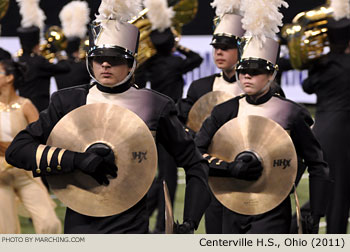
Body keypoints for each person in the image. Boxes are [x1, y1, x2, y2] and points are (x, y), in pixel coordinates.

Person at [5, 0, 210, 234]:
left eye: (115, 59)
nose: (105, 64)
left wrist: (190, 222)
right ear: (89, 61)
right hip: (81, 225)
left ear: (131, 63)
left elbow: (195, 163)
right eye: (98, 58)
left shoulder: (155, 104)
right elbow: (17, 150)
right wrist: (76, 160)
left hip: (131, 227)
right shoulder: (68, 101)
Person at [194, 0, 330, 234]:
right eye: (242, 71)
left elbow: (317, 164)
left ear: (271, 75)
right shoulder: (224, 111)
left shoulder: (291, 112)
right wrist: (228, 168)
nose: (246, 76)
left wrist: (314, 212)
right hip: (229, 205)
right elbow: (194, 153)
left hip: (273, 210)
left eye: (255, 72)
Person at [135, 0, 202, 233]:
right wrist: (178, 46)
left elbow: (139, 81)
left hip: (153, 120)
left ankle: (152, 217)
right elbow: (197, 59)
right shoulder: (174, 62)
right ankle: (161, 222)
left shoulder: (150, 63)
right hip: (171, 121)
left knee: (163, 173)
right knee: (168, 176)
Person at [0, 58, 61, 234]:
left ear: (9, 77)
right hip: (0, 178)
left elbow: (41, 139)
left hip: (25, 174)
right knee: (6, 231)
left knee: (49, 223)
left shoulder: (25, 105)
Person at [302, 16, 350, 234]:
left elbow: (307, 87)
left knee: (319, 187)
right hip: (343, 133)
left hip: (319, 131)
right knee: (339, 194)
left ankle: (301, 230)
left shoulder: (320, 63)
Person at [16, 0, 70, 112]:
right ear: (36, 45)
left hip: (22, 109)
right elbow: (65, 68)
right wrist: (58, 53)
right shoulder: (39, 61)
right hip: (40, 110)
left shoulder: (18, 60)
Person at [55, 0, 91, 90]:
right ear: (79, 47)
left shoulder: (58, 66)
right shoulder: (84, 67)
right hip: (82, 103)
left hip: (60, 103)